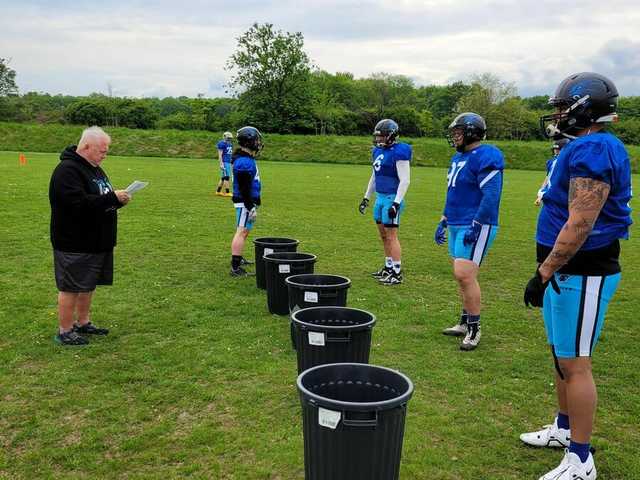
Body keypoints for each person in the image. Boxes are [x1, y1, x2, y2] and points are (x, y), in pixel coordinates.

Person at [522, 72, 632, 480]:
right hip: (567, 272)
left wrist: (545, 270)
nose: (556, 114)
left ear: (583, 106)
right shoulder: (585, 145)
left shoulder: (596, 148)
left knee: (575, 363)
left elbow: (582, 222)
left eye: (561, 106)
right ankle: (564, 430)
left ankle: (581, 459)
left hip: (581, 270)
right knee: (560, 358)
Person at [49, 126, 131, 346]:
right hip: (75, 241)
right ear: (85, 147)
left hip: (97, 241)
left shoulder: (94, 168)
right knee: (71, 287)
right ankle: (65, 330)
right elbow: (76, 205)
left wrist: (117, 201)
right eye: (101, 151)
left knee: (87, 284)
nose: (105, 155)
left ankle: (83, 322)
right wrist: (111, 198)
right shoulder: (67, 171)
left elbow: (100, 200)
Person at [434, 112, 504, 351]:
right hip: (456, 221)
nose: (454, 137)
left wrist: (477, 224)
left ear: (472, 132)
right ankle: (465, 322)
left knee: (465, 274)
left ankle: (475, 327)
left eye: (458, 133)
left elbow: (491, 195)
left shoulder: (487, 155)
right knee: (461, 275)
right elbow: (453, 193)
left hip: (475, 223)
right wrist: (444, 219)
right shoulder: (457, 158)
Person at [358, 119, 412, 285]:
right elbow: (375, 176)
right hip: (380, 198)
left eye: (382, 136)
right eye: (378, 136)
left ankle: (397, 272)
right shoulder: (378, 151)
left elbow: (405, 180)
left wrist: (396, 203)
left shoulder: (400, 151)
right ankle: (388, 267)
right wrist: (366, 197)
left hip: (391, 197)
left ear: (391, 135)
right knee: (383, 236)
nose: (379, 139)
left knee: (391, 236)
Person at [230, 126, 263, 277]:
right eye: (256, 140)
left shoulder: (246, 159)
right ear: (249, 141)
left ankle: (238, 257)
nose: (258, 142)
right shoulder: (244, 162)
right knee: (241, 231)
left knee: (244, 230)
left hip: (247, 201)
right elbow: (244, 188)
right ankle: (235, 267)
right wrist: (251, 207)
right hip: (245, 202)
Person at [534, 138, 570, 206]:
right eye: (555, 149)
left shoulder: (567, 161)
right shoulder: (552, 162)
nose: (556, 151)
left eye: (558, 149)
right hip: (554, 196)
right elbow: (547, 179)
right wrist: (540, 196)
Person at [215, 131, 234, 197]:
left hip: (228, 162)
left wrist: (231, 162)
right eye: (228, 138)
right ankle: (227, 192)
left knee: (223, 178)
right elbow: (220, 155)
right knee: (226, 177)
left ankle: (218, 191)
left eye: (230, 138)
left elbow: (230, 154)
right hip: (225, 162)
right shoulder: (221, 143)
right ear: (224, 137)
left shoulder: (230, 144)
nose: (229, 139)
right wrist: (221, 164)